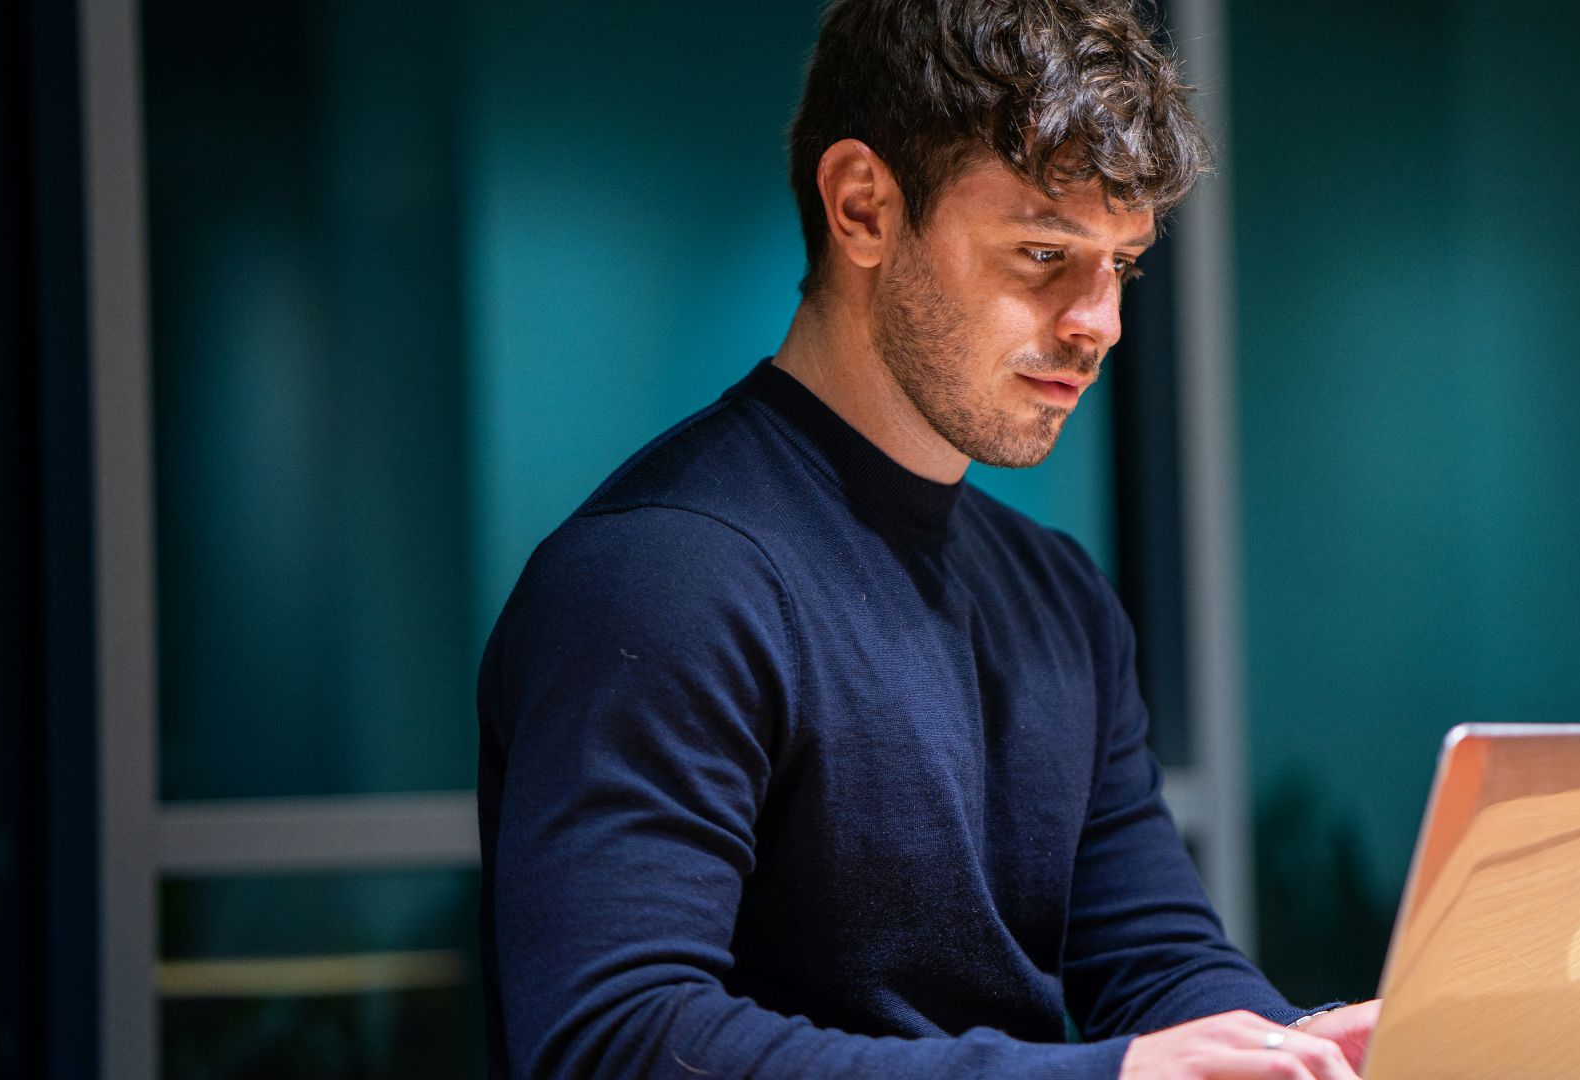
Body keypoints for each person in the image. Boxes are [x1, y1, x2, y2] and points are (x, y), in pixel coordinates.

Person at [476, 0, 1379, 1076]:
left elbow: (1155, 954)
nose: (1101, 324)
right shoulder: (660, 578)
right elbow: (613, 1041)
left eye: (1123, 266)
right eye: (1045, 252)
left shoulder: (1057, 595)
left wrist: (1293, 1048)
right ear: (863, 207)